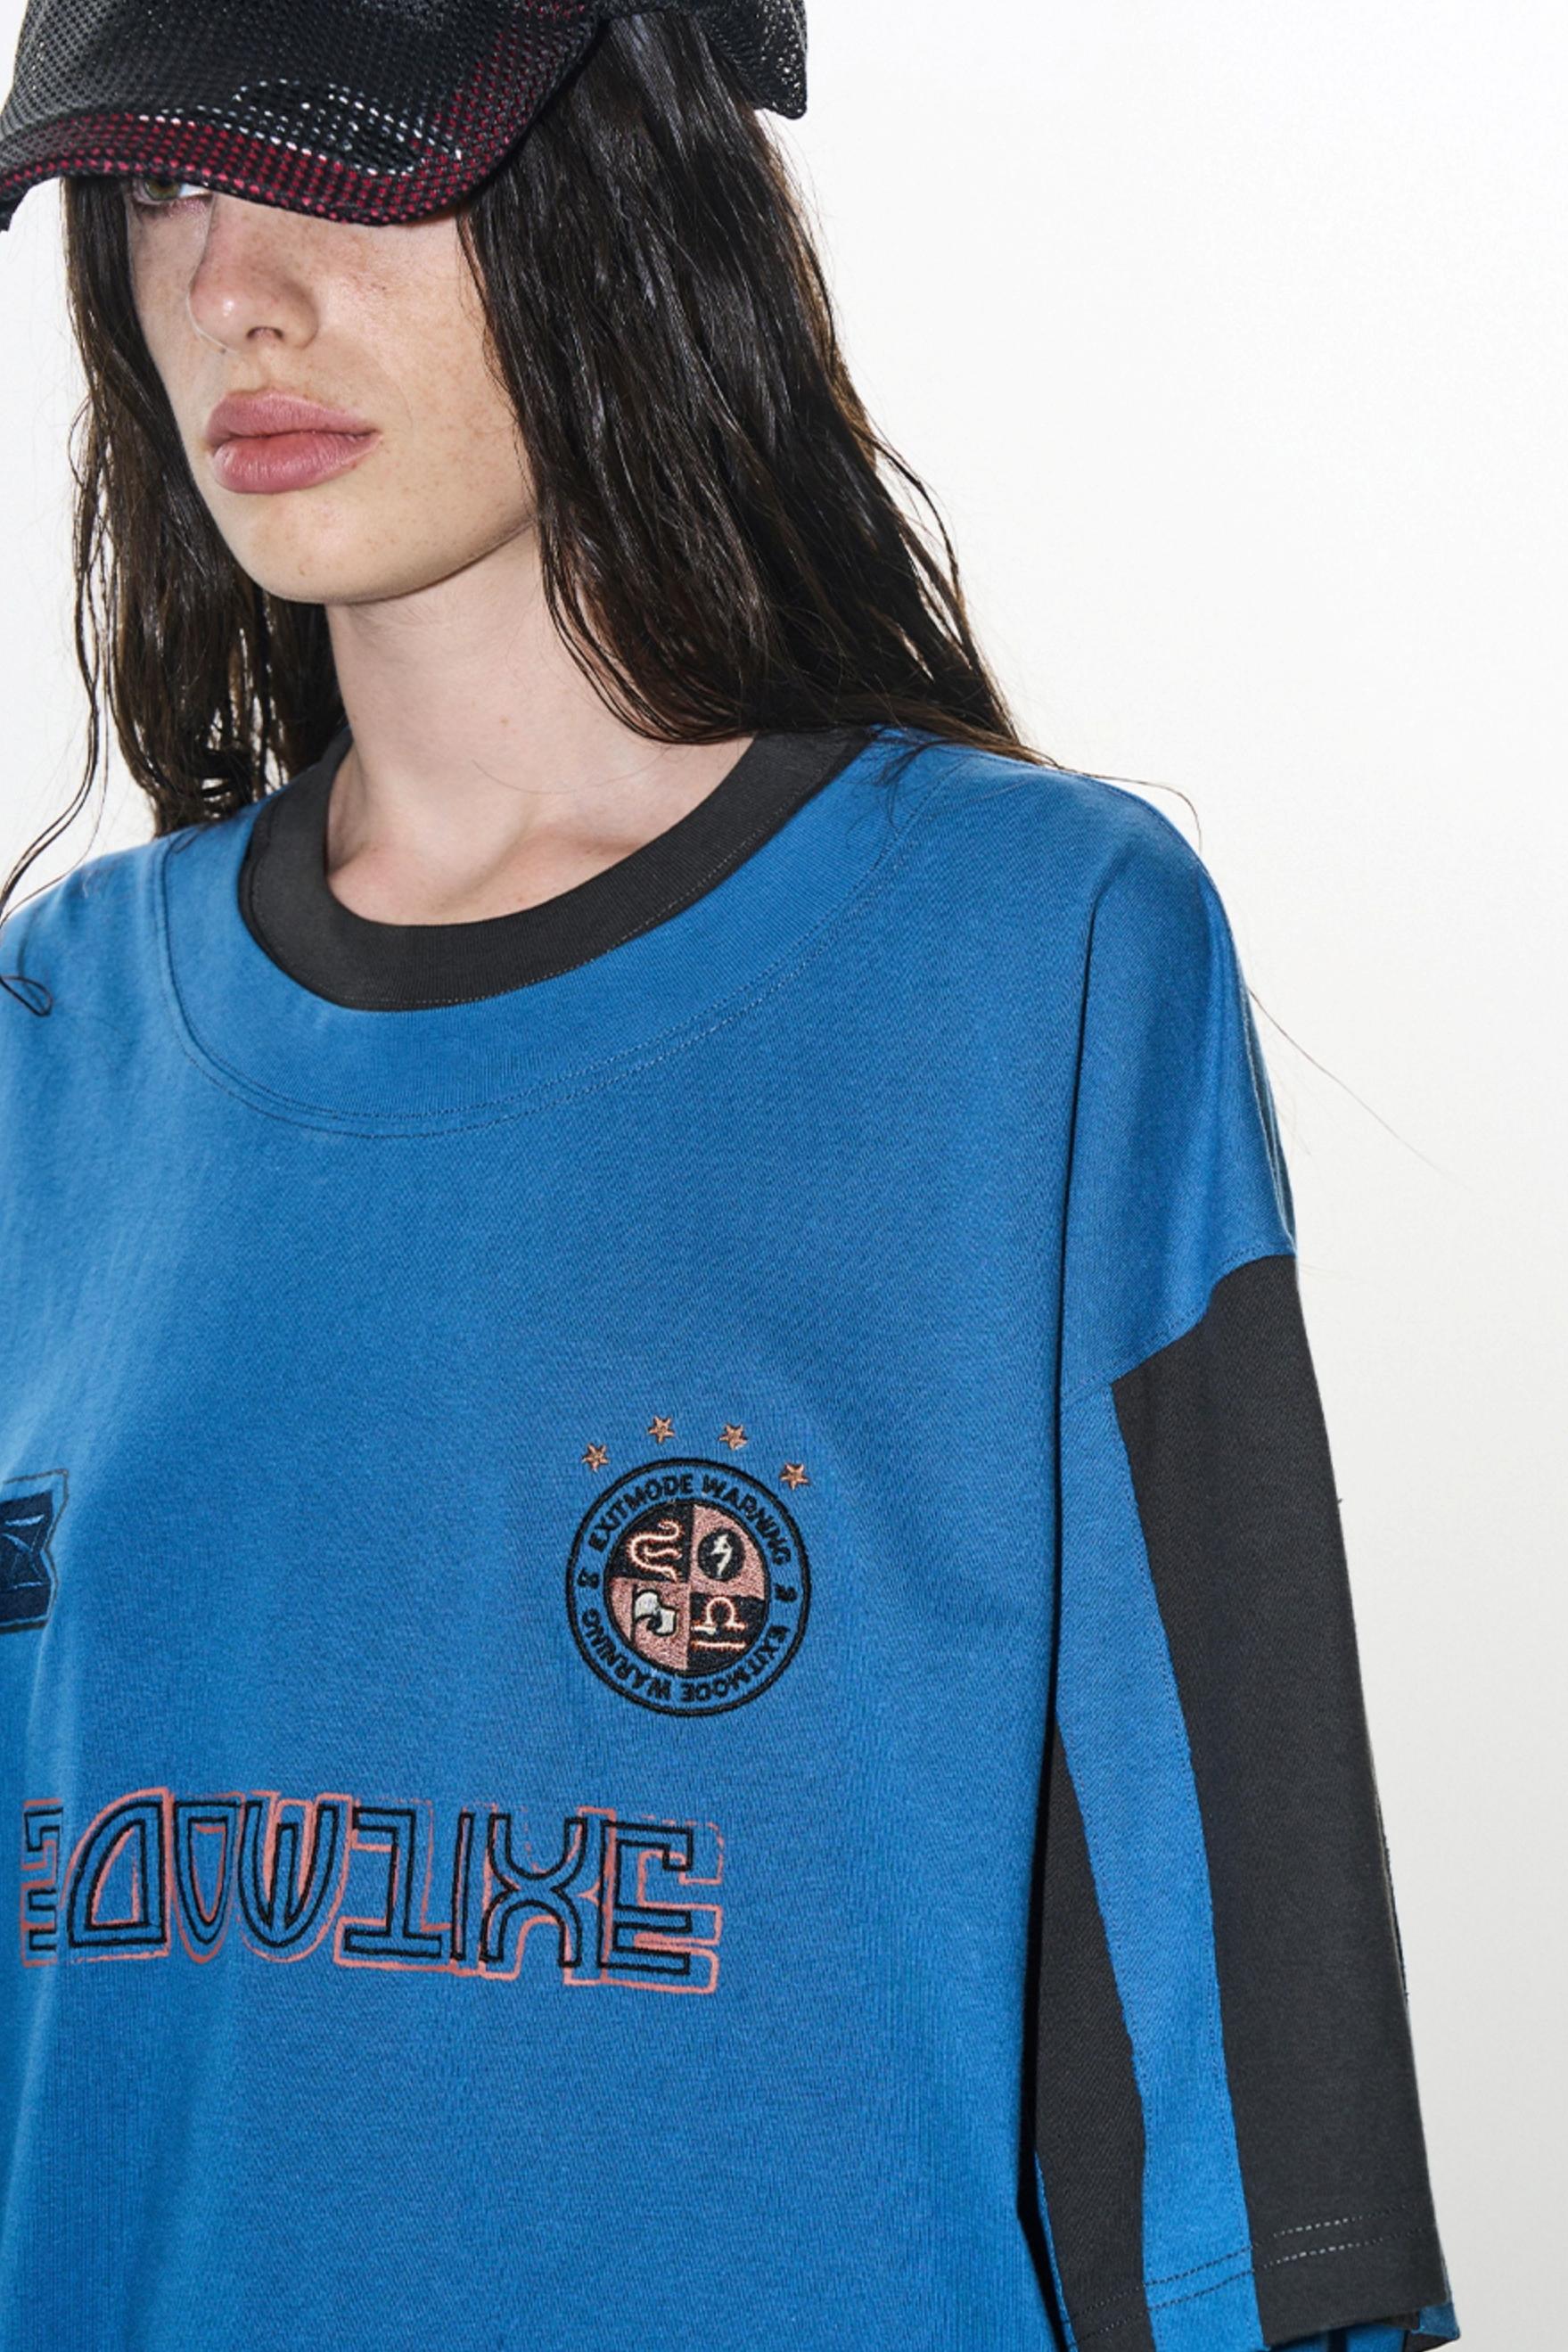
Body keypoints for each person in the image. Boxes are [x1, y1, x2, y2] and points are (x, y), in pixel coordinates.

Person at [0, 5, 1460, 2348]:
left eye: (341, 161)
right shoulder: (50, 1048)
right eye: (161, 181)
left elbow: (1232, 2108)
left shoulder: (1031, 957)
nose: (231, 291)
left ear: (624, 173)